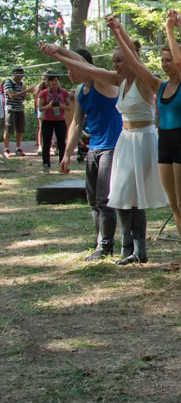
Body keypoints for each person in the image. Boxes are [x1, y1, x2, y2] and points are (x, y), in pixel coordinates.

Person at [54, 17, 167, 264]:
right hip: (125, 141)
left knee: (133, 197)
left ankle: (138, 250)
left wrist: (118, 31)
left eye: (119, 60)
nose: (115, 64)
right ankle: (128, 247)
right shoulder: (119, 81)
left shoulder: (142, 80)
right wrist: (58, 56)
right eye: (113, 61)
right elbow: (88, 69)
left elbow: (133, 59)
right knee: (121, 196)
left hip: (143, 140)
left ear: (130, 60)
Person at [115, 10, 181, 270]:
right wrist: (119, 33)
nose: (165, 64)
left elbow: (180, 60)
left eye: (168, 59)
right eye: (162, 60)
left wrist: (169, 30)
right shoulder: (159, 86)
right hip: (163, 143)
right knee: (173, 202)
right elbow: (135, 63)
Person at [41, 45, 122, 259]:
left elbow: (80, 62)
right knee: (93, 200)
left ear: (82, 66)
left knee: (105, 200)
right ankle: (99, 241)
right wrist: (67, 153)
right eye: (66, 69)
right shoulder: (79, 92)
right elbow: (77, 124)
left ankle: (106, 246)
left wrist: (58, 50)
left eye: (71, 67)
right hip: (94, 149)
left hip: (112, 147)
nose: (69, 73)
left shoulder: (103, 83)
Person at [36, 71, 71, 174]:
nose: (54, 83)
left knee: (61, 143)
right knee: (46, 143)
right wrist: (48, 106)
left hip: (60, 120)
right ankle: (46, 165)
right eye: (51, 81)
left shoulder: (64, 92)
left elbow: (69, 107)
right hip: (47, 120)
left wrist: (61, 106)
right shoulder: (44, 93)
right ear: (48, 82)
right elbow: (40, 108)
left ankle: (62, 165)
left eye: (55, 80)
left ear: (58, 80)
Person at [4, 67, 31, 157]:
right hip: (11, 109)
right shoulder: (8, 82)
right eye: (19, 73)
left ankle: (18, 148)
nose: (21, 76)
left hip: (20, 108)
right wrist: (25, 91)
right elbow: (11, 96)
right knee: (9, 130)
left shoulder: (21, 83)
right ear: (14, 73)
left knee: (20, 129)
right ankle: (6, 149)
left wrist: (24, 93)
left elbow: (23, 97)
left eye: (22, 74)